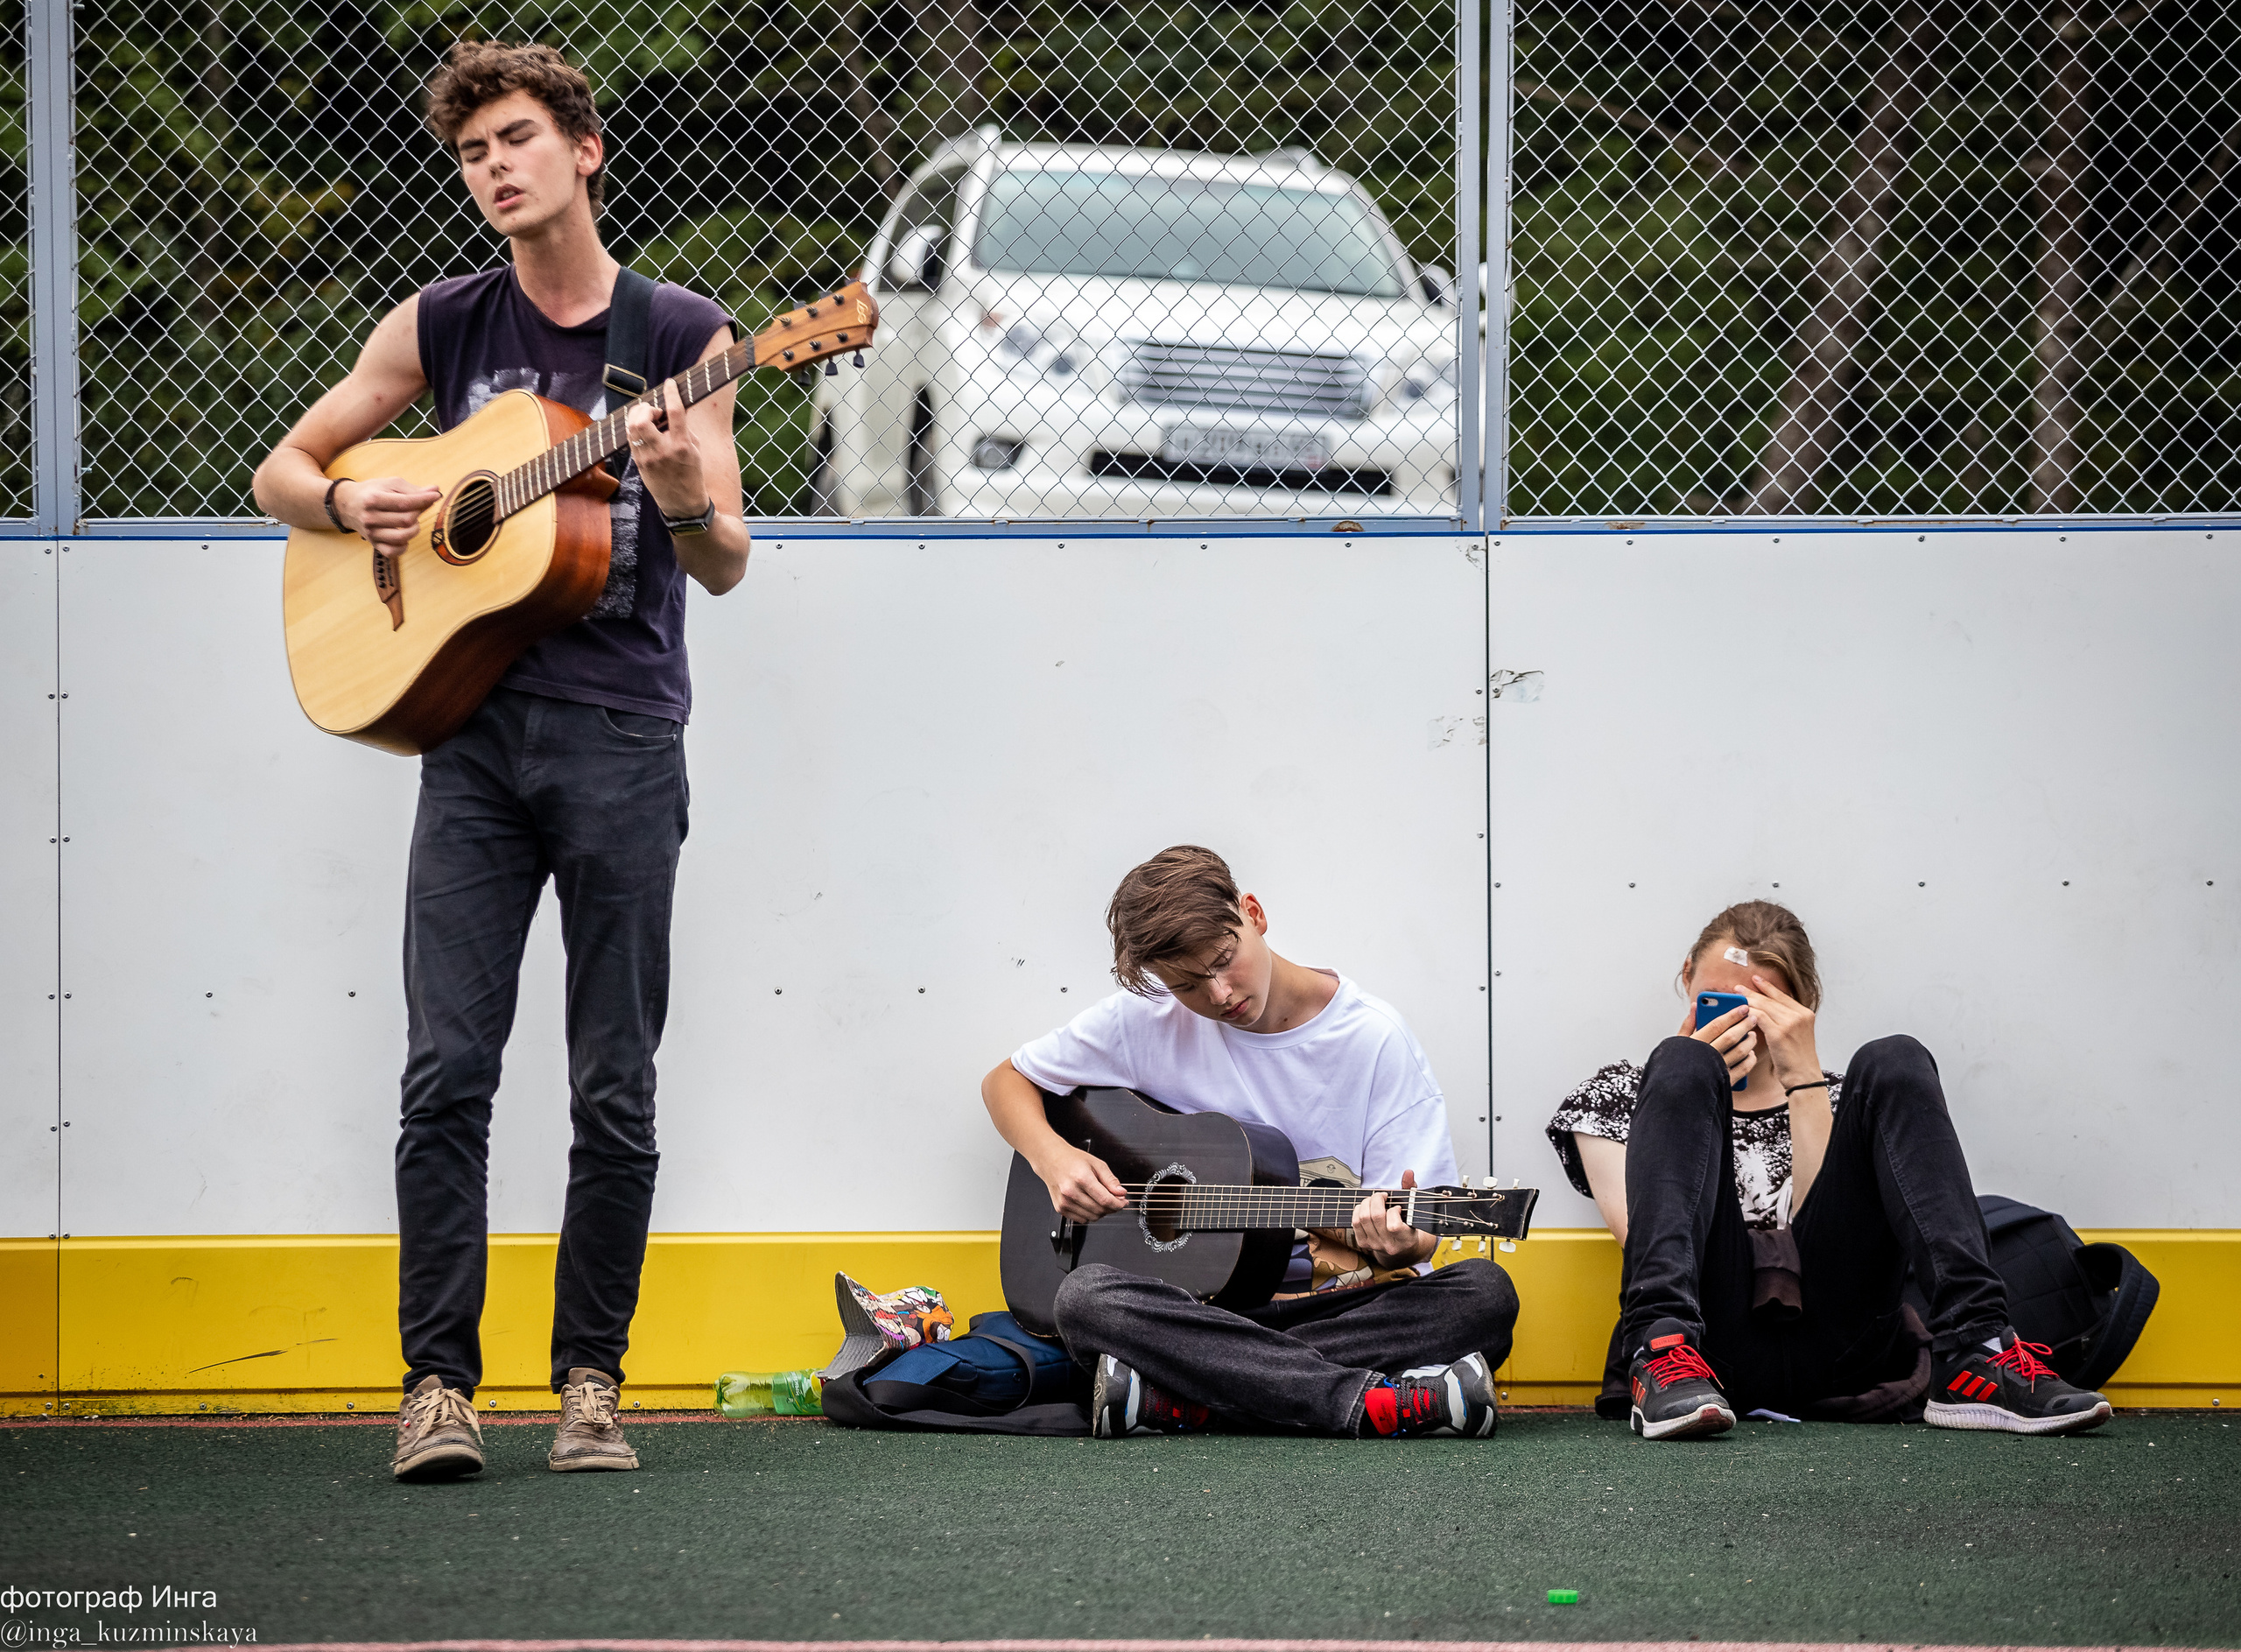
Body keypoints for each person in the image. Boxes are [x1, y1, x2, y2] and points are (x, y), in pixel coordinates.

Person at [251, 42, 750, 1481]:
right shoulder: (442, 324)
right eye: (473, 153)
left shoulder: (683, 330)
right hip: (465, 738)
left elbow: (725, 564)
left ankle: (591, 1382)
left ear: (586, 150)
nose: (495, 169)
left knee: (612, 1080)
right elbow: (285, 468)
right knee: (446, 1071)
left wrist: (677, 496)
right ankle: (437, 1387)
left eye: (519, 139)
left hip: (622, 739)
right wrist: (358, 499)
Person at [980, 845, 1518, 1439]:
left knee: (1483, 1295)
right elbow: (1006, 1080)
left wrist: (1397, 1244)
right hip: (1201, 1310)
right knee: (1085, 1298)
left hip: (1331, 1309)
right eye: (1187, 984)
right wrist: (1053, 1158)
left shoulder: (1373, 1040)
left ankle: (1192, 1395)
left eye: (1224, 960)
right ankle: (1369, 1402)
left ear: (1254, 913)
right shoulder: (1145, 1021)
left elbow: (1414, 1243)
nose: (1218, 994)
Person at [1545, 900, 2111, 1440]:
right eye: (1717, 1000)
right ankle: (1661, 1352)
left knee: (1896, 1057)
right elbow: (1640, 1234)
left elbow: (1829, 1232)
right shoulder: (1628, 1091)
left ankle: (1978, 1349)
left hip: (1842, 1336)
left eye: (1756, 1008)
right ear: (1687, 972)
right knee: (1681, 1059)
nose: (1737, 1022)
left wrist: (1804, 1078)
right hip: (1702, 1338)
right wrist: (1690, 1068)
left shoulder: (1850, 1102)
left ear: (1800, 1003)